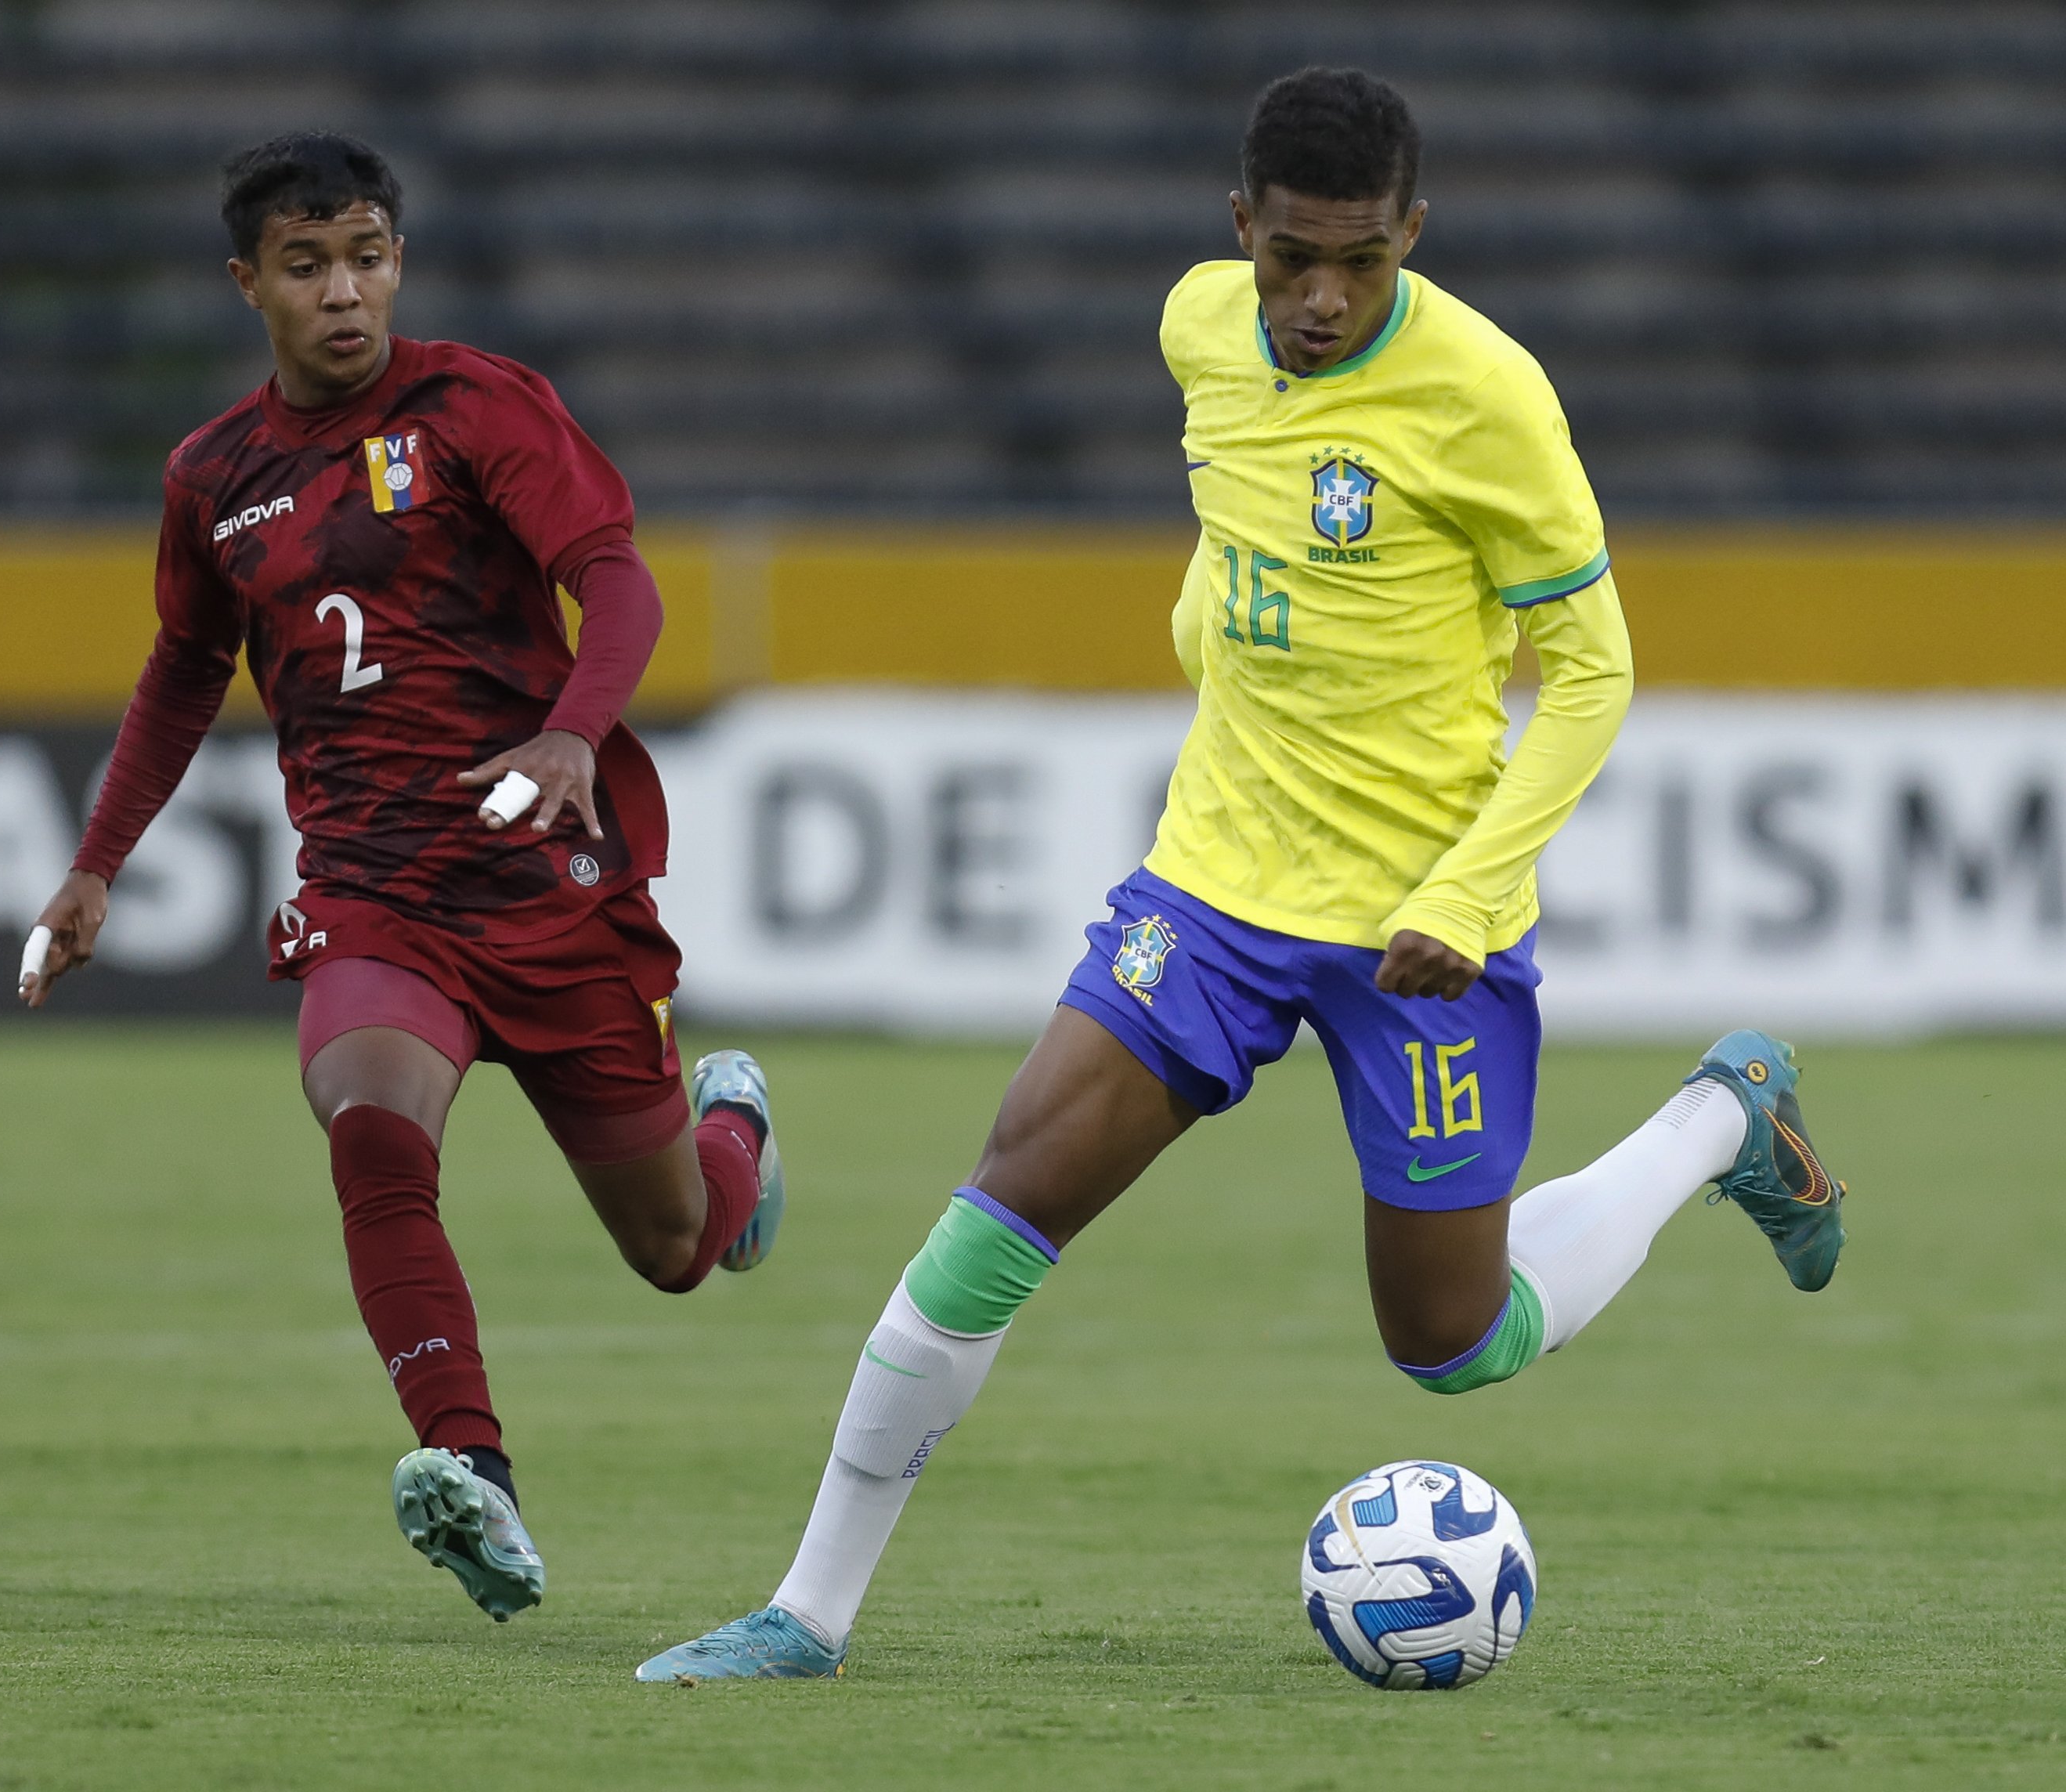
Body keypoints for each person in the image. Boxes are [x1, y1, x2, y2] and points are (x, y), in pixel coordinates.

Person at [637, 65, 1848, 1682]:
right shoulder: (1196, 328)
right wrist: (1210, 627)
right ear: (1239, 232)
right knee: (1002, 1206)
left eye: (1361, 260)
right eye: (1291, 260)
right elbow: (1239, 514)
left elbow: (1593, 669)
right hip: (1209, 888)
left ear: (1413, 233)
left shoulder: (1488, 396)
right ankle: (807, 1612)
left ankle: (1721, 1118)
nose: (1322, 299)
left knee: (1449, 1341)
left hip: (1421, 926)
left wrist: (1469, 896)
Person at [19, 132, 786, 1624]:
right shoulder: (213, 478)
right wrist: (93, 867)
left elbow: (616, 578)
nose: (344, 291)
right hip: (377, 892)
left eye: (366, 255)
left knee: (677, 1250)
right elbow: (181, 673)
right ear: (248, 284)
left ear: (398, 261)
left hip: (548, 882)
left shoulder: (471, 405)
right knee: (371, 1121)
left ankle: (735, 1132)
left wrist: (572, 737)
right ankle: (473, 1473)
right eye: (306, 266)